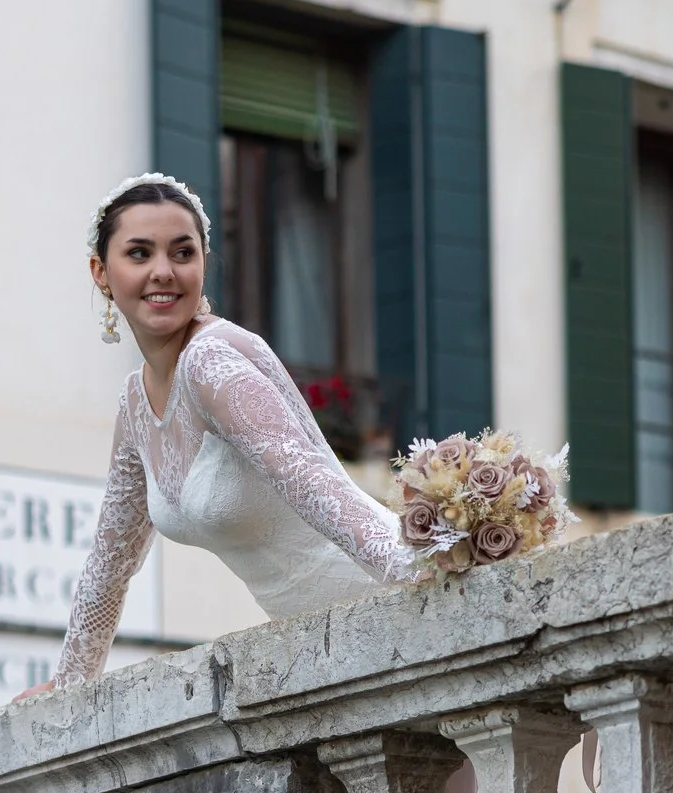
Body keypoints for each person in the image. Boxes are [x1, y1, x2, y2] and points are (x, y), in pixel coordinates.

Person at [34, 173, 421, 693]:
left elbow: (312, 482)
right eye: (140, 253)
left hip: (383, 598)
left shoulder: (212, 363)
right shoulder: (133, 404)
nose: (163, 272)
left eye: (182, 253)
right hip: (317, 643)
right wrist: (67, 684)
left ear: (203, 264)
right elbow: (110, 561)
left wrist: (423, 578)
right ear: (101, 273)